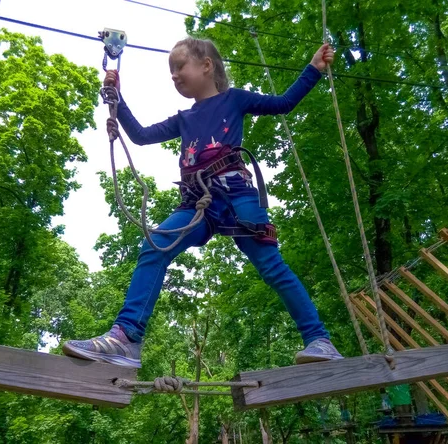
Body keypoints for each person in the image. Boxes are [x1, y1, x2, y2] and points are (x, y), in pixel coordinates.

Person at [62, 37, 343, 368]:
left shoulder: (234, 101)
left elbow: (283, 102)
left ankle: (319, 340)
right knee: (155, 246)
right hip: (198, 204)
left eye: (179, 67)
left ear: (206, 66)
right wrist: (117, 100)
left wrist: (313, 68)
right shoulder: (184, 119)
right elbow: (139, 135)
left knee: (271, 266)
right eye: (171, 71)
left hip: (236, 196)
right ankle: (126, 338)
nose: (174, 76)